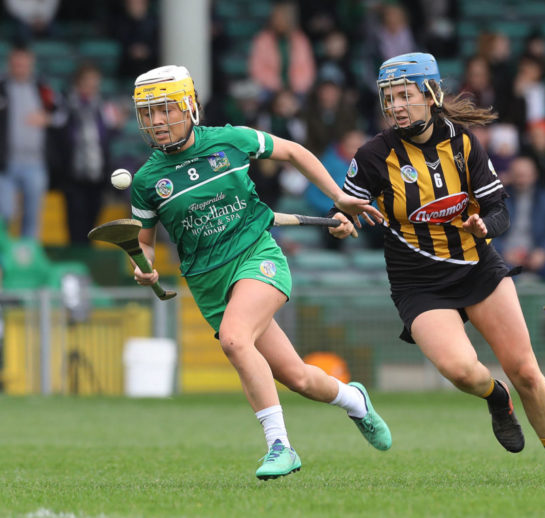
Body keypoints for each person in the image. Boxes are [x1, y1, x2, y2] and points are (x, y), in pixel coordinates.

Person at [328, 52, 545, 481]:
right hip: (419, 283)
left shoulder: (463, 142)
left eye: (404, 95)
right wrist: (341, 222)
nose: (395, 105)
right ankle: (495, 396)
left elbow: (498, 211)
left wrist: (484, 225)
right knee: (462, 371)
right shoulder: (374, 155)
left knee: (525, 369)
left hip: (476, 268)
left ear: (431, 95)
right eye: (388, 97)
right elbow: (347, 208)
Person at [128, 65, 391, 480]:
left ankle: (280, 446)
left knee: (234, 340)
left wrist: (340, 196)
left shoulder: (231, 140)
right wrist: (142, 267)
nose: (158, 122)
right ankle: (355, 400)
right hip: (209, 284)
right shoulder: (146, 180)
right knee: (298, 377)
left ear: (189, 106)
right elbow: (143, 241)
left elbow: (295, 153)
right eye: (149, 113)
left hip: (256, 256)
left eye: (166, 110)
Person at [54, 63, 125, 244]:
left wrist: (118, 124)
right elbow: (58, 132)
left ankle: (88, 261)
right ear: (78, 82)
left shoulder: (102, 106)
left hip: (97, 174)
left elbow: (111, 135)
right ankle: (77, 261)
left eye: (95, 83)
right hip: (73, 174)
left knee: (93, 223)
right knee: (75, 221)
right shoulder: (65, 104)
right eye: (88, 82)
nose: (92, 87)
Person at [0, 42, 58, 238]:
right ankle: (4, 260)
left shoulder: (42, 88)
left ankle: (27, 262)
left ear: (30, 63)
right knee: (5, 214)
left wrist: (47, 118)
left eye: (23, 64)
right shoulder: (2, 87)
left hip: (35, 163)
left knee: (32, 219)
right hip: (5, 165)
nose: (20, 68)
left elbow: (63, 114)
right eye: (16, 64)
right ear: (9, 63)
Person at [496, 156, 545, 282]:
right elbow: (488, 234)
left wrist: (543, 251)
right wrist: (503, 252)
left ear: (534, 176)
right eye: (517, 175)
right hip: (507, 255)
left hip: (536, 253)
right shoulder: (498, 199)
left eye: (525, 175)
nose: (521, 180)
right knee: (503, 273)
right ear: (511, 175)